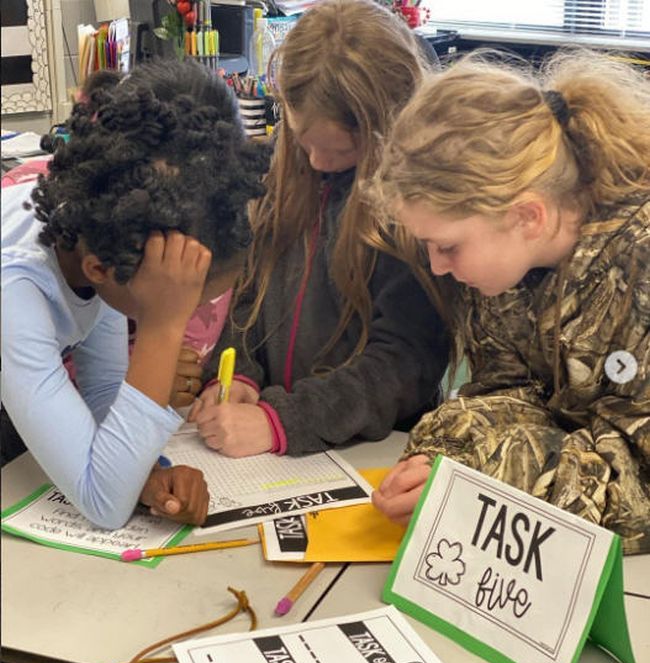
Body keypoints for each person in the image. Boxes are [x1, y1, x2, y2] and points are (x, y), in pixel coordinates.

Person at [370, 49, 650, 554]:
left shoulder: (640, 259)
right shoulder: (508, 269)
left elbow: (640, 488)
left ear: (528, 217)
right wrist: (441, 455)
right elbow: (507, 390)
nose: (436, 268)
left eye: (448, 246)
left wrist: (475, 474)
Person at [1, 59, 271, 528]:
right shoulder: (18, 288)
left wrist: (146, 474)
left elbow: (106, 395)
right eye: (181, 300)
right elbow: (102, 503)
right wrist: (161, 326)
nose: (190, 315)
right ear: (101, 269)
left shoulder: (100, 234)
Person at [190, 0, 449, 458]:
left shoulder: (413, 206)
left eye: (341, 152)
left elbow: (403, 363)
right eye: (305, 142)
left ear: (388, 127)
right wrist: (240, 374)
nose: (317, 163)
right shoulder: (281, 167)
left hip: (374, 450)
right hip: (276, 447)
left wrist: (283, 421)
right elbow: (249, 288)